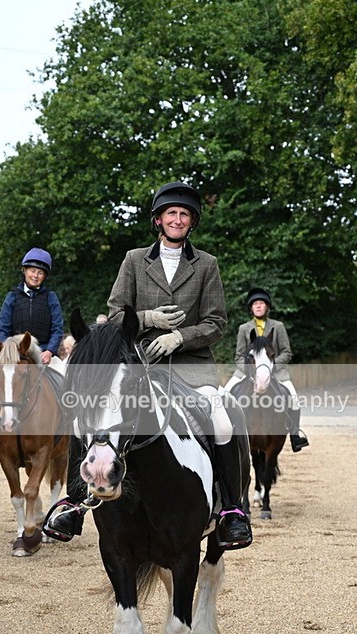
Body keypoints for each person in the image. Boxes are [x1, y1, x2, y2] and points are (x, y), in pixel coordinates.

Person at [43, 181, 253, 550]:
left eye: (184, 214)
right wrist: (149, 318)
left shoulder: (207, 264)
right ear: (158, 220)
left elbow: (217, 322)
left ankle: (231, 510)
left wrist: (180, 338)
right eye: (171, 213)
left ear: (191, 222)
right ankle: (73, 502)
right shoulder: (134, 259)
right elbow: (114, 315)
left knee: (221, 416)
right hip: (138, 364)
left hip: (192, 366)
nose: (177, 219)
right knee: (87, 413)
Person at [0, 248, 65, 450]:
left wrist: (50, 350)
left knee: (66, 379)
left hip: (43, 354)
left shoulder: (50, 298)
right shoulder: (12, 297)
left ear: (44, 276)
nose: (35, 275)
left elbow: (58, 328)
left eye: (40, 272)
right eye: (32, 271)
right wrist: (7, 350)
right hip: (15, 357)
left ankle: (73, 429)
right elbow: (2, 329)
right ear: (24, 271)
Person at [224, 287, 309, 453]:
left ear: (267, 307)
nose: (258, 306)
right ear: (251, 308)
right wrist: (250, 370)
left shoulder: (278, 326)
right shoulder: (244, 329)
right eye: (255, 303)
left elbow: (286, 352)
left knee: (293, 398)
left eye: (261, 303)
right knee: (225, 395)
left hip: (276, 373)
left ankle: (294, 436)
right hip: (246, 373)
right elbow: (239, 356)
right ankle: (227, 435)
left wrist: (270, 367)